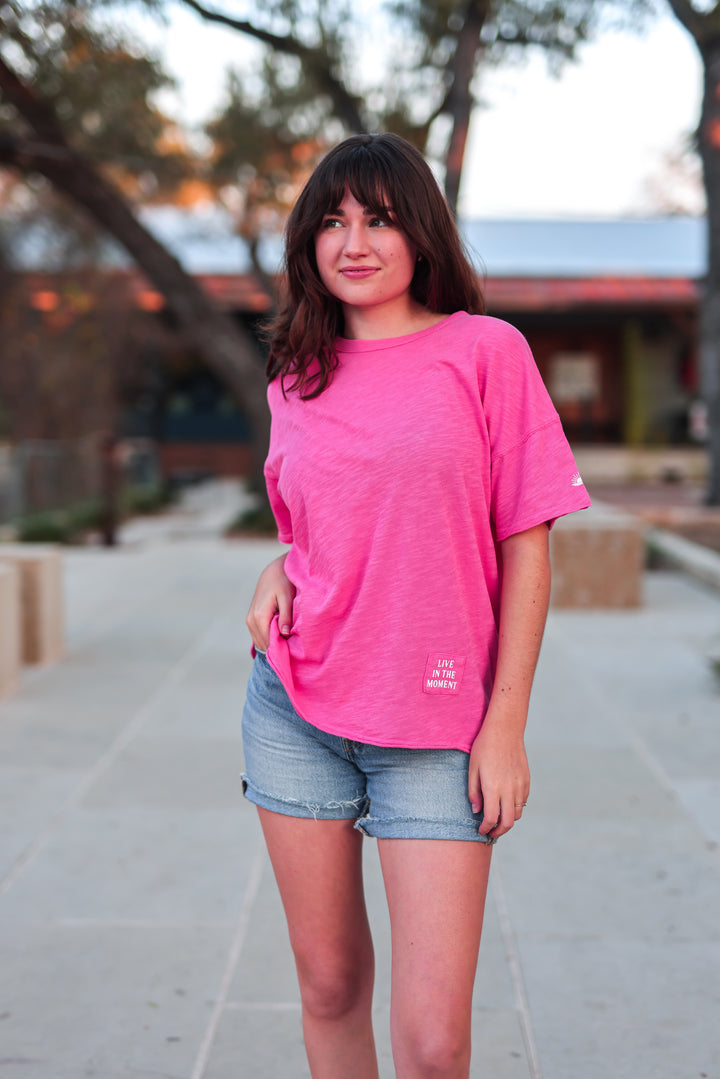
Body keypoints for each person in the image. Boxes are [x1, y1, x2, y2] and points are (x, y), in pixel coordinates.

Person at [242, 132, 591, 1079]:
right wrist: (279, 567)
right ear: (308, 241)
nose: (354, 242)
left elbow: (526, 544)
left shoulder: (486, 352)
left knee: (434, 1044)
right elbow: (328, 528)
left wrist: (504, 726)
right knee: (328, 985)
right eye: (333, 221)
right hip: (296, 711)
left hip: (440, 725)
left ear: (421, 233)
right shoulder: (295, 376)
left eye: (380, 220)